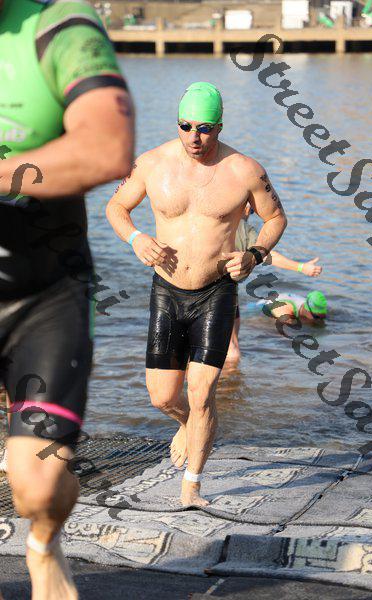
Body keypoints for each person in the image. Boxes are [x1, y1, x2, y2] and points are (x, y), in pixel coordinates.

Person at [0, 1, 134, 598]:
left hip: (43, 296)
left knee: (38, 488)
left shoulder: (58, 25)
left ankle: (43, 542)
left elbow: (107, 148)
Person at [106, 81, 287, 507]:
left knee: (202, 393)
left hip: (216, 292)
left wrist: (254, 254)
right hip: (167, 291)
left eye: (204, 128)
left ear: (219, 126)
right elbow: (116, 207)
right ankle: (188, 424)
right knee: (163, 396)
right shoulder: (151, 164)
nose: (194, 136)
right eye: (186, 126)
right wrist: (135, 238)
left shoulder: (245, 170)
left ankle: (192, 486)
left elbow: (276, 217)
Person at [226, 202, 323, 363]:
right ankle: (231, 377)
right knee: (232, 346)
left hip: (193, 286)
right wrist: (301, 267)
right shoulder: (242, 228)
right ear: (246, 208)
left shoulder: (207, 220)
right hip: (224, 291)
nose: (250, 215)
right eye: (252, 211)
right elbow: (267, 255)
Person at [248, 290, 328, 322]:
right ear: (307, 309)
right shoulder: (285, 311)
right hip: (259, 308)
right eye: (317, 317)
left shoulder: (308, 303)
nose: (320, 320)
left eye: (323, 317)